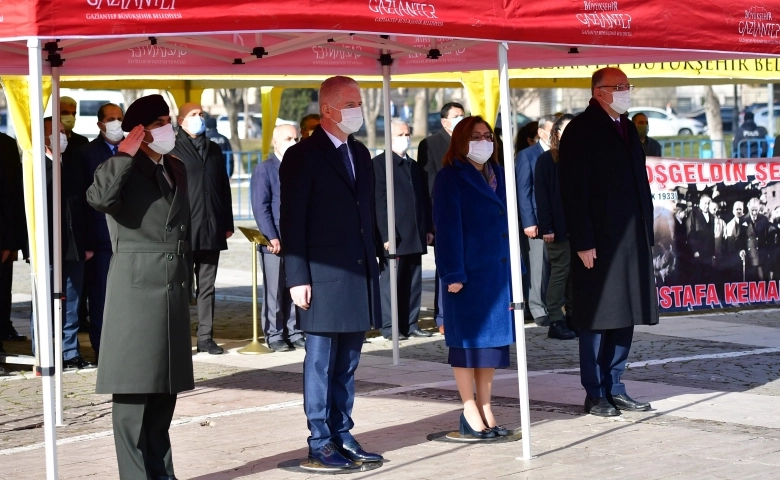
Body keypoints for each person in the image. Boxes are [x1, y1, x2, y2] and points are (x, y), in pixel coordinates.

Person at [86, 94, 194, 480]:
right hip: (136, 286)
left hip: (172, 284)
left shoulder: (176, 166)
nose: (169, 127)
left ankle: (162, 473)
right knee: (133, 393)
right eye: (161, 121)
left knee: (166, 388)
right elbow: (98, 199)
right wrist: (122, 155)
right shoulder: (120, 168)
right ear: (140, 130)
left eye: (168, 119)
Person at [280, 76, 383, 469]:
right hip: (321, 275)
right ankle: (319, 438)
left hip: (357, 273)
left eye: (360, 101)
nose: (359, 108)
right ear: (328, 109)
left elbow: (365, 212)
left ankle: (343, 433)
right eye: (352, 102)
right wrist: (297, 276)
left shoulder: (358, 153)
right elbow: (293, 222)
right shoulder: (303, 156)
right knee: (320, 362)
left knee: (348, 363)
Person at [559, 67, 658, 417]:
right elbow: (574, 192)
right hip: (598, 242)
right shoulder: (581, 130)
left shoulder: (627, 126)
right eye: (620, 87)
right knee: (597, 317)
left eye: (628, 86)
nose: (626, 92)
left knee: (624, 314)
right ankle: (596, 391)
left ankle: (616, 385)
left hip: (630, 238)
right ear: (600, 91)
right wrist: (584, 241)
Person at [433, 115, 514, 439]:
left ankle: (487, 405)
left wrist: (517, 272)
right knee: (467, 346)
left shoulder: (499, 174)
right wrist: (453, 272)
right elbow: (447, 230)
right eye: (477, 136)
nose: (484, 141)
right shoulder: (450, 177)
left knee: (490, 348)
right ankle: (469, 408)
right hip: (467, 275)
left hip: (497, 274)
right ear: (462, 140)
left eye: (488, 136)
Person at [171, 102, 234, 355]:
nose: (199, 118)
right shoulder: (172, 149)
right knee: (181, 286)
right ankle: (180, 337)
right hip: (184, 230)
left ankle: (206, 336)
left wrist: (226, 223)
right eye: (194, 115)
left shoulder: (215, 149)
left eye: (201, 114)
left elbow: (224, 188)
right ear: (181, 120)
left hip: (211, 228)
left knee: (207, 286)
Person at [373, 120, 433, 340]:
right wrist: (386, 234)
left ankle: (410, 322)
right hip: (394, 236)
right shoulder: (378, 165)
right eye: (400, 134)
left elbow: (422, 199)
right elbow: (379, 203)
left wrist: (426, 227)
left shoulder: (414, 166)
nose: (405, 138)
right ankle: (390, 326)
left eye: (408, 133)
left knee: (413, 280)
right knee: (392, 283)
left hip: (414, 233)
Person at [43, 117, 95, 370]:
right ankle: (45, 353)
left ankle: (70, 352)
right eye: (56, 132)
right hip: (47, 248)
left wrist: (87, 244)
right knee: (45, 302)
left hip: (74, 247)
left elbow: (83, 208)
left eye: (63, 132)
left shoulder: (72, 164)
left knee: (72, 304)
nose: (62, 136)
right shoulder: (36, 166)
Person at [250, 124, 304, 352]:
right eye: (288, 138)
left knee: (295, 286)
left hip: (298, 239)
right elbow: (261, 206)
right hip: (276, 240)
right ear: (276, 142)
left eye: (296, 138)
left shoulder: (301, 167)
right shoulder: (265, 169)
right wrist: (271, 236)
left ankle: (294, 330)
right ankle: (274, 334)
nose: (293, 142)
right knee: (274, 289)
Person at [77, 102, 125, 361]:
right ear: (100, 124)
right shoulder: (86, 153)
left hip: (130, 235)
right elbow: (84, 199)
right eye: (111, 118)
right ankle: (102, 347)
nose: (116, 123)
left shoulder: (134, 149)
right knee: (100, 296)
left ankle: (126, 345)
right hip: (101, 236)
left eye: (119, 118)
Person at [418, 101, 465, 334]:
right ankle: (442, 316)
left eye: (463, 115)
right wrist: (430, 222)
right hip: (442, 216)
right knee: (445, 267)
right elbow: (428, 186)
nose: (460, 119)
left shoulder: (467, 142)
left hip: (466, 216)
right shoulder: (431, 143)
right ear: (445, 121)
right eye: (456, 116)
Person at [534, 114, 577, 340]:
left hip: (577, 228)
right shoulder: (546, 161)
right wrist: (547, 227)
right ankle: (555, 319)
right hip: (557, 229)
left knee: (574, 276)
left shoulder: (581, 157)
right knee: (559, 273)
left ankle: (572, 317)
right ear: (556, 133)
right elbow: (542, 197)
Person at [516, 114, 556, 327]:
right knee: (537, 267)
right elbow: (524, 191)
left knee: (554, 267)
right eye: (553, 131)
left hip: (556, 220)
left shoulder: (559, 154)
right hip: (536, 222)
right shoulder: (527, 156)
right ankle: (537, 308)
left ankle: (551, 306)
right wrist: (529, 222)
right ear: (541, 133)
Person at [0, 132, 28, 348]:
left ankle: (4, 326)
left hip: (2, 234)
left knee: (2, 285)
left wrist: (11, 241)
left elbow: (12, 194)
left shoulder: (6, 145)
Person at [737, 197, 770, 282]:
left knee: (763, 282)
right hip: (749, 256)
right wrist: (741, 250)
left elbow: (768, 238)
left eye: (756, 209)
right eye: (752, 209)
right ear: (748, 207)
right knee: (750, 282)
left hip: (762, 256)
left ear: (759, 207)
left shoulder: (764, 219)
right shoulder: (743, 219)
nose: (754, 212)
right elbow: (740, 238)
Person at [687, 195, 716, 285]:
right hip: (698, 252)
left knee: (708, 276)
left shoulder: (712, 216)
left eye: (708, 204)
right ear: (700, 203)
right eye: (705, 203)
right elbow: (690, 233)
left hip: (708, 253)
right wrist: (695, 250)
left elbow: (712, 236)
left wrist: (713, 252)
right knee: (698, 276)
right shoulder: (694, 213)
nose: (706, 206)